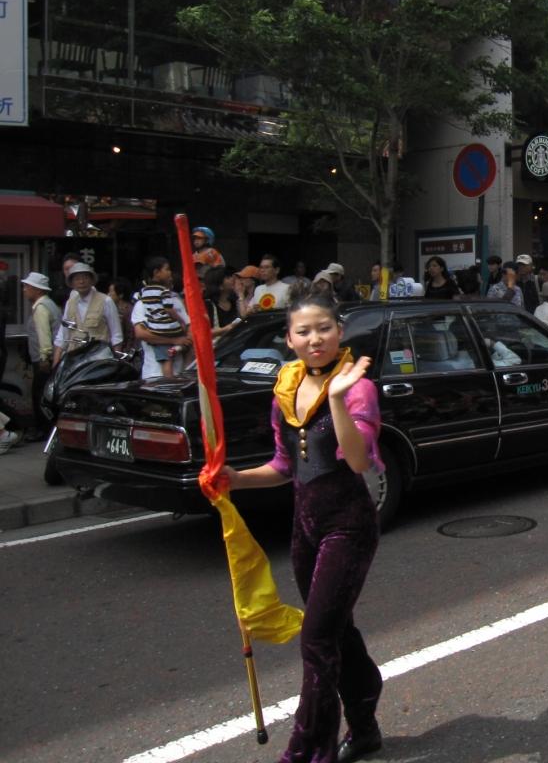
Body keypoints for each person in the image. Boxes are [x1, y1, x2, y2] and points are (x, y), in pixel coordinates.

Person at [221, 293, 384, 763]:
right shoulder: (285, 389)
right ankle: (365, 724)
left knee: (316, 639)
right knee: (336, 631)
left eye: (324, 328)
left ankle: (309, 751)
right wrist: (235, 479)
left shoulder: (356, 387)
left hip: (348, 525)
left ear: (340, 331)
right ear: (289, 339)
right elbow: (283, 465)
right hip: (305, 528)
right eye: (304, 331)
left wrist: (336, 398)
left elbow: (357, 461)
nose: (315, 339)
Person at [52, 263, 123, 368]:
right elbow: (62, 335)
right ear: (72, 283)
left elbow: (116, 335)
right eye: (77, 279)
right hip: (74, 362)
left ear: (91, 280)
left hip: (99, 361)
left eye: (85, 278)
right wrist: (56, 363)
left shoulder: (105, 301)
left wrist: (115, 364)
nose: (81, 282)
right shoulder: (70, 303)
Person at [21, 272, 59, 444]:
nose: (24, 290)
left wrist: (44, 356)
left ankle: (43, 430)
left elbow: (44, 335)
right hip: (50, 358)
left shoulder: (41, 307)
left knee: (40, 395)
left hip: (44, 360)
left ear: (37, 290)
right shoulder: (49, 304)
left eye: (27, 287)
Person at [137, 257, 189, 378]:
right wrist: (175, 339)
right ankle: (169, 382)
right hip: (153, 374)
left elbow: (189, 327)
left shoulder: (144, 294)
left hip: (179, 372)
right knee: (167, 360)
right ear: (156, 272)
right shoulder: (141, 304)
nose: (170, 274)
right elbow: (140, 334)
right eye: (167, 269)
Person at [204, 266, 241, 341]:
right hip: (219, 347)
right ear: (219, 285)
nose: (232, 279)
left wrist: (241, 293)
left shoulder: (233, 301)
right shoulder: (208, 305)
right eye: (227, 277)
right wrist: (224, 329)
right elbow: (203, 332)